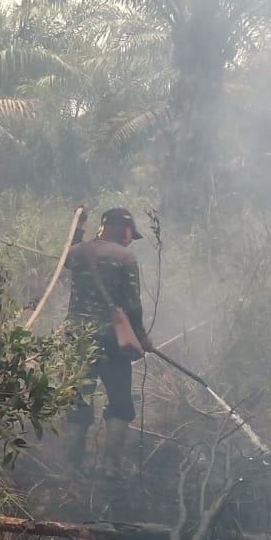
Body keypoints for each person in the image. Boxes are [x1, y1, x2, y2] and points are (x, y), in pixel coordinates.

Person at [62, 205, 153, 481]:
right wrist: (141, 336)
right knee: (120, 401)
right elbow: (132, 305)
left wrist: (78, 229)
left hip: (77, 339)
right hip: (112, 341)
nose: (130, 238)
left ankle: (71, 466)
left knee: (78, 399)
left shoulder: (77, 252)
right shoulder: (125, 258)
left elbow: (68, 257)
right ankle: (110, 465)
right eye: (130, 233)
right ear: (123, 229)